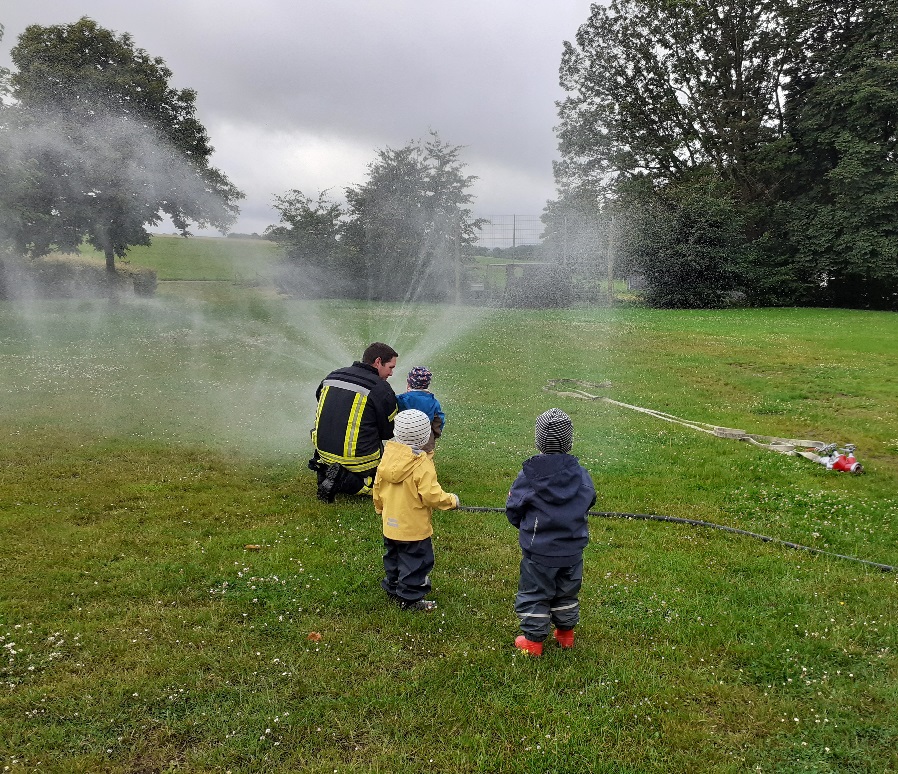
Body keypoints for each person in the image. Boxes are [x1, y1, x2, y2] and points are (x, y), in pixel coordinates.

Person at [506, 408, 595, 656]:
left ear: (539, 441)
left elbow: (514, 507)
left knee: (535, 593)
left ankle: (533, 642)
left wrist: (525, 527)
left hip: (539, 551)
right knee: (567, 592)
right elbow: (589, 498)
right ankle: (566, 635)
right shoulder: (581, 473)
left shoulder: (529, 475)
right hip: (572, 550)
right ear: (569, 441)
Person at [373, 409, 459, 611]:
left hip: (390, 523)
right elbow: (431, 495)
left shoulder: (388, 457)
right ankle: (410, 598)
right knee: (417, 561)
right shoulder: (421, 464)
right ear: (425, 437)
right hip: (413, 528)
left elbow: (377, 486)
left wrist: (379, 507)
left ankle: (393, 587)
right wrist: (451, 501)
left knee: (393, 556)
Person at [309, 342, 399, 502]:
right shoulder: (381, 388)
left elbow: (320, 400)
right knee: (383, 485)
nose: (391, 373)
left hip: (323, 452)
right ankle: (345, 479)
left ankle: (325, 472)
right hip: (358, 461)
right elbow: (387, 432)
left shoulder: (332, 376)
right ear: (378, 362)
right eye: (390, 367)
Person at [396, 366, 446, 454]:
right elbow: (439, 420)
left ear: (409, 383)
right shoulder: (433, 402)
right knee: (425, 459)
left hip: (404, 439)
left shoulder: (401, 399)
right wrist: (434, 435)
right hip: (425, 441)